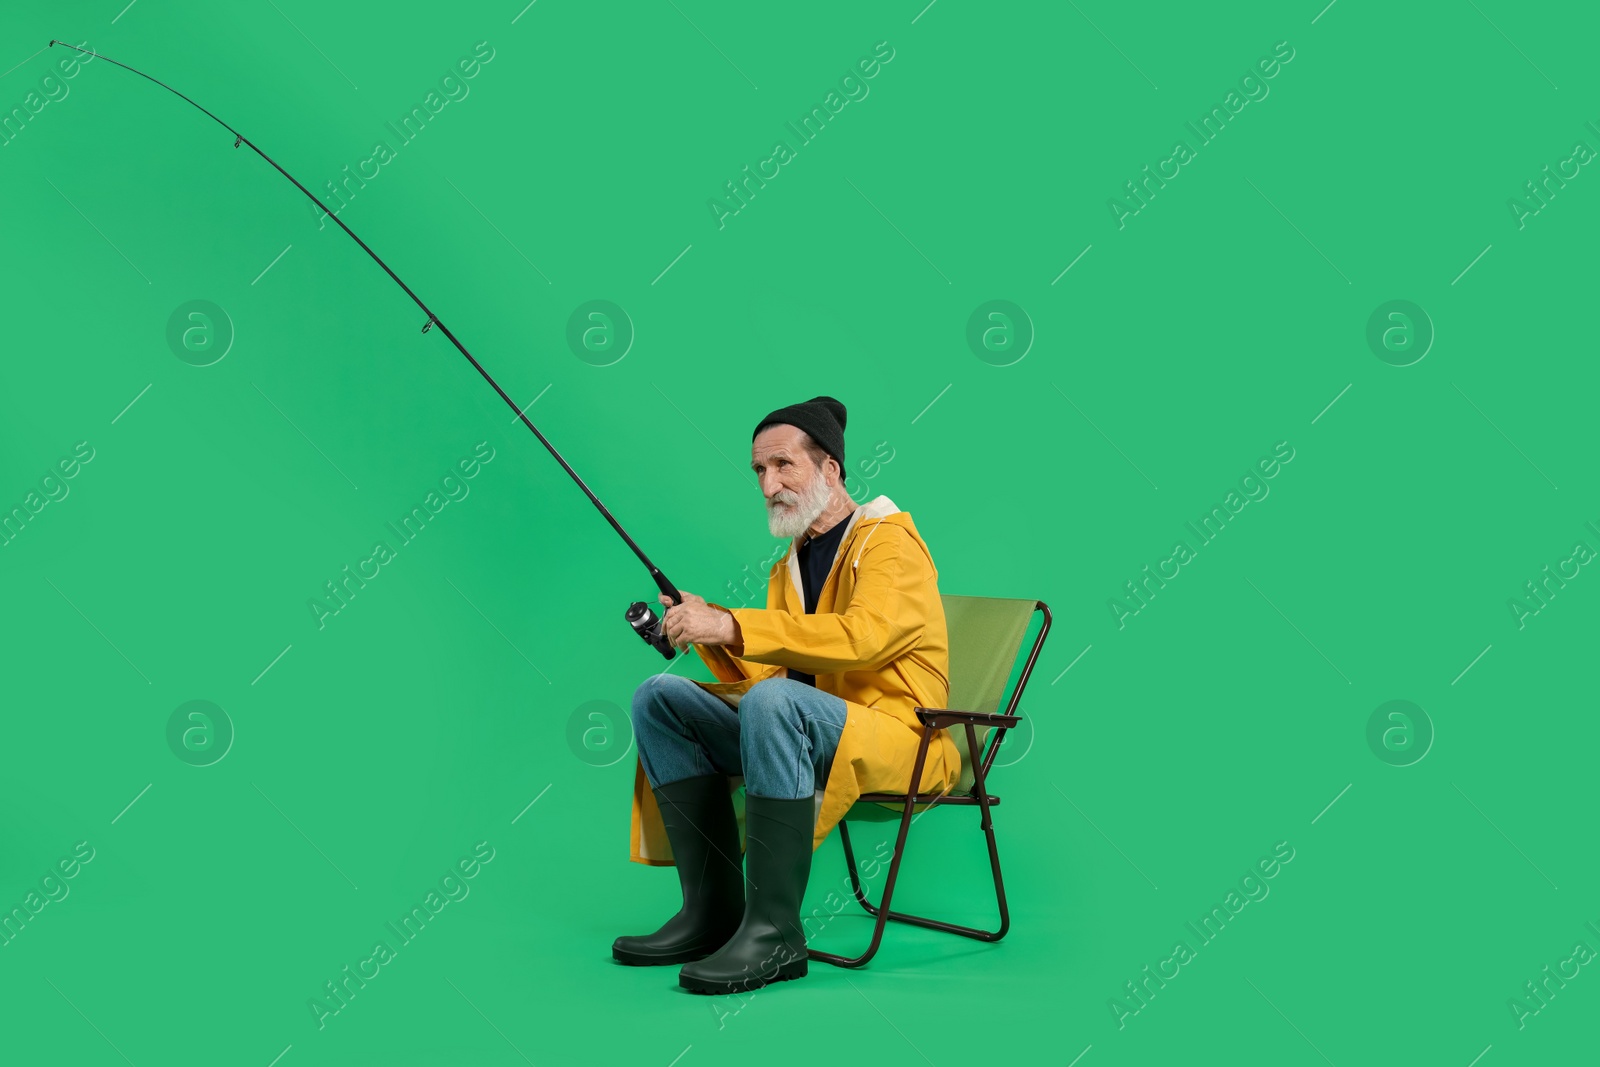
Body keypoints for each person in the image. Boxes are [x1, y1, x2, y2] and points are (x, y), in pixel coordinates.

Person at [614, 395, 960, 995]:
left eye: (783, 466)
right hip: (806, 729)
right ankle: (711, 913)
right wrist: (710, 624)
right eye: (759, 471)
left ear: (830, 470)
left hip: (905, 737)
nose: (769, 484)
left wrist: (732, 624)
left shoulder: (890, 544)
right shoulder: (792, 565)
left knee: (771, 707)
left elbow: (863, 639)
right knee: (659, 697)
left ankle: (774, 934)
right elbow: (786, 671)